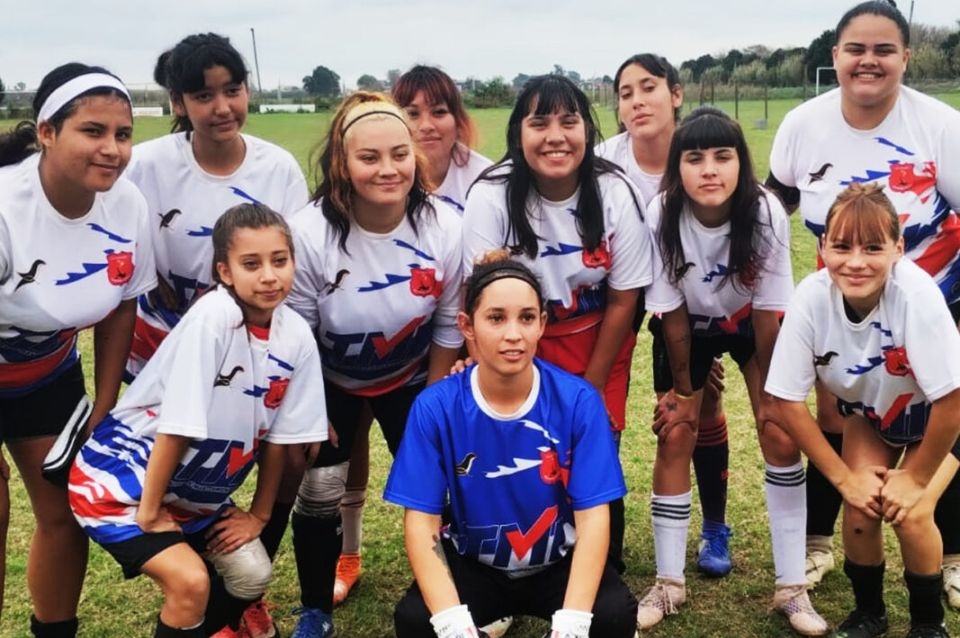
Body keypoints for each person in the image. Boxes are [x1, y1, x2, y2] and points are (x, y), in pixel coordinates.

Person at [767, 0, 960, 597]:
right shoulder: (804, 124)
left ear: (906, 57)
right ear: (836, 56)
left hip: (936, 302)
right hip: (845, 305)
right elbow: (774, 203)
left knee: (943, 417)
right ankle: (819, 542)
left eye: (884, 49)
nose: (868, 61)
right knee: (841, 416)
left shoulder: (940, 125)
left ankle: (952, 554)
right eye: (856, 49)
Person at [68, 203, 327, 638]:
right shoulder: (213, 317)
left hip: (190, 499)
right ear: (225, 272)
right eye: (251, 264)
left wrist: (259, 516)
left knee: (251, 573)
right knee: (190, 583)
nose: (269, 276)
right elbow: (178, 425)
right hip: (120, 484)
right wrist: (150, 512)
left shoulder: (296, 334)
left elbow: (281, 440)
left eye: (279, 260)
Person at [124, 34, 310, 636]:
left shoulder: (276, 168)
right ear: (178, 102)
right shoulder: (147, 166)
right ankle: (194, 588)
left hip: (250, 356)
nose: (222, 107)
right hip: (161, 349)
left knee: (248, 466)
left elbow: (290, 276)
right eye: (204, 95)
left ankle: (243, 591)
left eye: (233, 90)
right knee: (177, 469)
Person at [635, 106, 827, 636]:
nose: (709, 169)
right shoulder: (661, 212)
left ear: (741, 162)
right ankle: (668, 583)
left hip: (748, 322)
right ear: (677, 167)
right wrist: (683, 392)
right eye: (694, 158)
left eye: (723, 156)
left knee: (779, 431)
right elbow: (671, 311)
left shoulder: (764, 210)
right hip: (687, 326)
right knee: (676, 432)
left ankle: (792, 588)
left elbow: (767, 312)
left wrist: (773, 397)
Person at [284, 91, 463, 638]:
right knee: (319, 488)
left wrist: (433, 405)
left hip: (411, 376)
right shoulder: (308, 232)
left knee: (440, 483)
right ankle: (315, 608)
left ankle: (450, 593)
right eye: (369, 158)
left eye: (399, 154)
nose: (388, 169)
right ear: (342, 163)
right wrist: (310, 411)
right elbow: (297, 335)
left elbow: (449, 323)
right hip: (330, 379)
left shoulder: (444, 226)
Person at [387, 251, 638, 638]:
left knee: (612, 616)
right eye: (496, 318)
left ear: (542, 324)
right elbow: (422, 523)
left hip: (557, 562)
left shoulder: (578, 401)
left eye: (526, 317)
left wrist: (573, 623)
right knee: (418, 622)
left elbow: (593, 518)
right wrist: (452, 624)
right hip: (476, 565)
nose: (513, 334)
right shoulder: (435, 407)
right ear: (467, 326)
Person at [462, 74, 652, 578]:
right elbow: (482, 299)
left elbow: (625, 298)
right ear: (517, 133)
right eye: (539, 123)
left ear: (587, 129)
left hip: (598, 340)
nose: (555, 137)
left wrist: (591, 388)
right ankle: (512, 567)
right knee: (518, 451)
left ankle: (601, 571)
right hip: (521, 341)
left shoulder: (614, 190)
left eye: (569, 122)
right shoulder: (491, 195)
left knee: (592, 454)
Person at [327, 65, 495, 613]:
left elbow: (458, 305)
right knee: (340, 454)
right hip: (343, 363)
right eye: (412, 112)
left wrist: (437, 392)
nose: (426, 125)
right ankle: (345, 554)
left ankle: (465, 569)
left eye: (438, 111)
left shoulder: (478, 184)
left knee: (442, 460)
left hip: (429, 352)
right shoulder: (324, 221)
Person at [0, 62, 155, 638]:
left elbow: (121, 306)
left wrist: (104, 404)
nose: (112, 149)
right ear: (46, 132)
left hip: (47, 375)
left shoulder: (127, 204)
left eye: (123, 134)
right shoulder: (6, 208)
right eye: (93, 131)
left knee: (64, 514)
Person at [767, 183, 960, 638]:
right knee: (860, 508)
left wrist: (916, 480)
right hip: (874, 417)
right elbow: (785, 401)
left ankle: (928, 623)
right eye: (842, 246)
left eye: (873, 247)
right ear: (822, 247)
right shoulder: (811, 299)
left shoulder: (917, 296)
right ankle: (869, 612)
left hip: (943, 417)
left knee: (913, 512)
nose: (855, 262)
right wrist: (843, 479)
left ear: (898, 248)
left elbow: (952, 401)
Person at [596, 52, 734, 578]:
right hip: (619, 289)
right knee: (601, 396)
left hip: (685, 294)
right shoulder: (604, 161)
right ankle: (592, 520)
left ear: (676, 95)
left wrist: (696, 359)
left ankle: (715, 526)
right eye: (625, 93)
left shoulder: (700, 152)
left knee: (695, 403)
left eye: (648, 87)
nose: (637, 101)